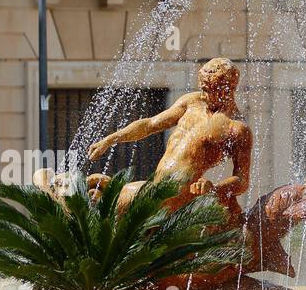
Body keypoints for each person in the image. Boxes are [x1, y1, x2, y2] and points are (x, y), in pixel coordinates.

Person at [86, 58, 252, 221]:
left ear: (228, 88)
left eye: (210, 90)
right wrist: (110, 139)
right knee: (116, 200)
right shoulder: (191, 102)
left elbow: (242, 180)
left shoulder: (236, 128)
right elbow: (150, 124)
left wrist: (214, 189)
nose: (204, 94)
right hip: (156, 187)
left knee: (119, 200)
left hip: (181, 199)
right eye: (203, 88)